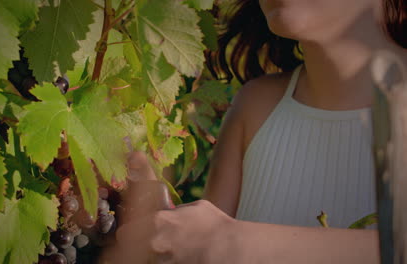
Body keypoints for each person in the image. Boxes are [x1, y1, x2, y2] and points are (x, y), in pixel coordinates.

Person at [103, 0, 407, 263]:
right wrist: (159, 225)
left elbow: (221, 245)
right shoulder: (256, 106)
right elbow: (203, 249)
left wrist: (237, 244)